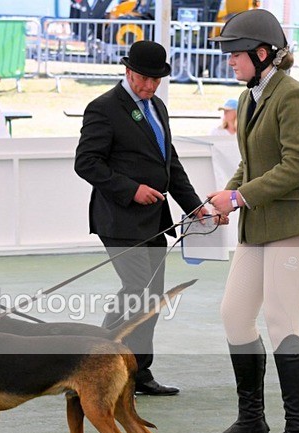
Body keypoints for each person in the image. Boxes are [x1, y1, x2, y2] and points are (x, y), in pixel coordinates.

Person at [201, 10, 299, 433]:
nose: (229, 63)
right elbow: (252, 163)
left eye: (235, 55)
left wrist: (238, 200)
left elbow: (297, 166)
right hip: (261, 224)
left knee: (282, 321)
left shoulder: (294, 97)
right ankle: (252, 420)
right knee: (235, 315)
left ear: (263, 54)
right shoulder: (248, 97)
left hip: (298, 224)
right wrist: (226, 195)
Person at [74, 40, 213, 396]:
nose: (150, 86)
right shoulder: (103, 108)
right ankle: (93, 366)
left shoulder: (158, 108)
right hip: (118, 219)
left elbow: (171, 165)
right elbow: (86, 163)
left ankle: (137, 373)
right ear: (127, 71)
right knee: (137, 291)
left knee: (151, 296)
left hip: (155, 221)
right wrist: (131, 189)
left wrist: (194, 206)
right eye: (144, 78)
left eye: (156, 80)